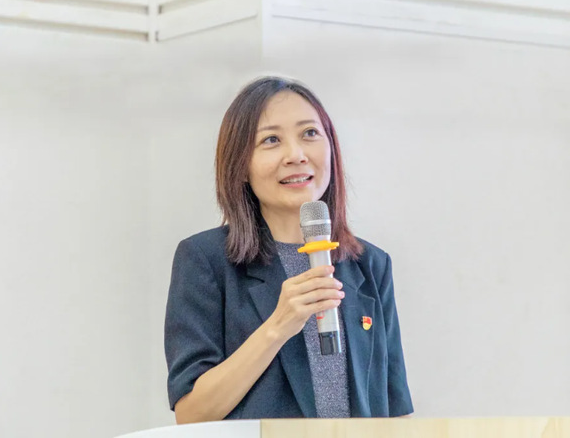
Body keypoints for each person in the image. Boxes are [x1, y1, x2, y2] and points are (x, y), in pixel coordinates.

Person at [164, 76, 413, 423]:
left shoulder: (369, 264)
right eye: (271, 140)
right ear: (240, 165)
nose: (296, 155)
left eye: (309, 133)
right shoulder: (205, 260)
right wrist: (278, 326)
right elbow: (191, 413)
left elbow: (396, 411)